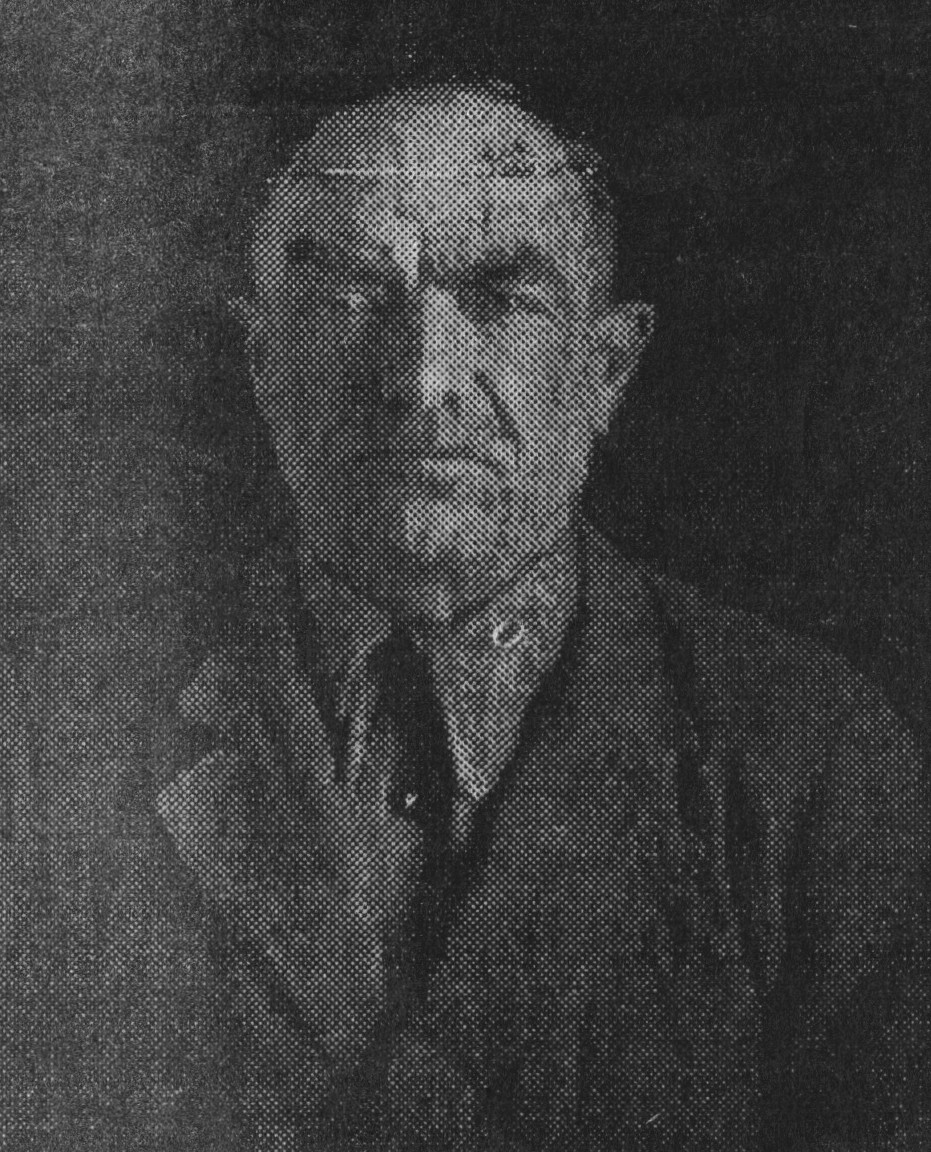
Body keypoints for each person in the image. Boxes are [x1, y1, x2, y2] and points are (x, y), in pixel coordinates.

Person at [17, 83, 930, 1151]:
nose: (421, 376)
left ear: (605, 368)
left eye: (499, 299)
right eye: (350, 296)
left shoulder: (811, 763)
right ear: (262, 362)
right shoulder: (45, 752)